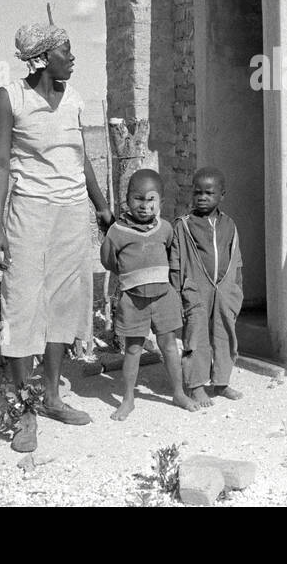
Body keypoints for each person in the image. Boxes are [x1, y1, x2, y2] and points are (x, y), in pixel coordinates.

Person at [0, 23, 113, 453]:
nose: (73, 58)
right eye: (67, 50)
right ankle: (24, 410)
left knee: (63, 303)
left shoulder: (74, 99)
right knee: (21, 304)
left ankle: (53, 397)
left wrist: (100, 206)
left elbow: (81, 160)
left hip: (72, 213)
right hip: (29, 214)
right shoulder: (10, 99)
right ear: (42, 57)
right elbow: (0, 163)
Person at [99, 168, 199, 421]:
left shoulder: (165, 229)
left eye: (150, 200)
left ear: (160, 203)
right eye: (138, 199)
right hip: (133, 300)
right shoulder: (117, 232)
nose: (144, 206)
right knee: (133, 350)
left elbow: (171, 254)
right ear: (127, 201)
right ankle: (128, 399)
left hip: (163, 297)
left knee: (169, 346)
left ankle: (178, 392)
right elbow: (109, 261)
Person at [172, 167, 244, 408]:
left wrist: (236, 290)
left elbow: (237, 259)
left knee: (225, 335)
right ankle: (196, 386)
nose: (202, 197)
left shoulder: (229, 225)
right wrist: (177, 292)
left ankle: (221, 382)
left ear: (222, 195)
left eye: (209, 193)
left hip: (224, 291)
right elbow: (176, 262)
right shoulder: (184, 225)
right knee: (196, 336)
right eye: (197, 192)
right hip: (196, 290)